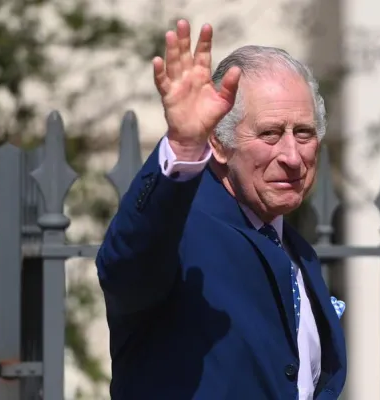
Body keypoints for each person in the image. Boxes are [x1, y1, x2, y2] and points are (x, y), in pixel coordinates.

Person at [96, 18, 347, 400]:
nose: (292, 156)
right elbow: (127, 261)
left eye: (304, 133)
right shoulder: (181, 231)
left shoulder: (296, 250)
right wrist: (182, 149)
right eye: (269, 133)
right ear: (218, 142)